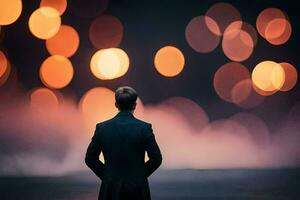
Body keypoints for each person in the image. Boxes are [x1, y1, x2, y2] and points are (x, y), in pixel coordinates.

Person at [85, 86, 162, 200]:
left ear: (116, 104)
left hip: (110, 189)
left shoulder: (102, 128)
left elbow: (90, 159)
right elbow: (156, 159)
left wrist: (108, 176)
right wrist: (138, 176)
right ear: (135, 105)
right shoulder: (144, 128)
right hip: (137, 190)